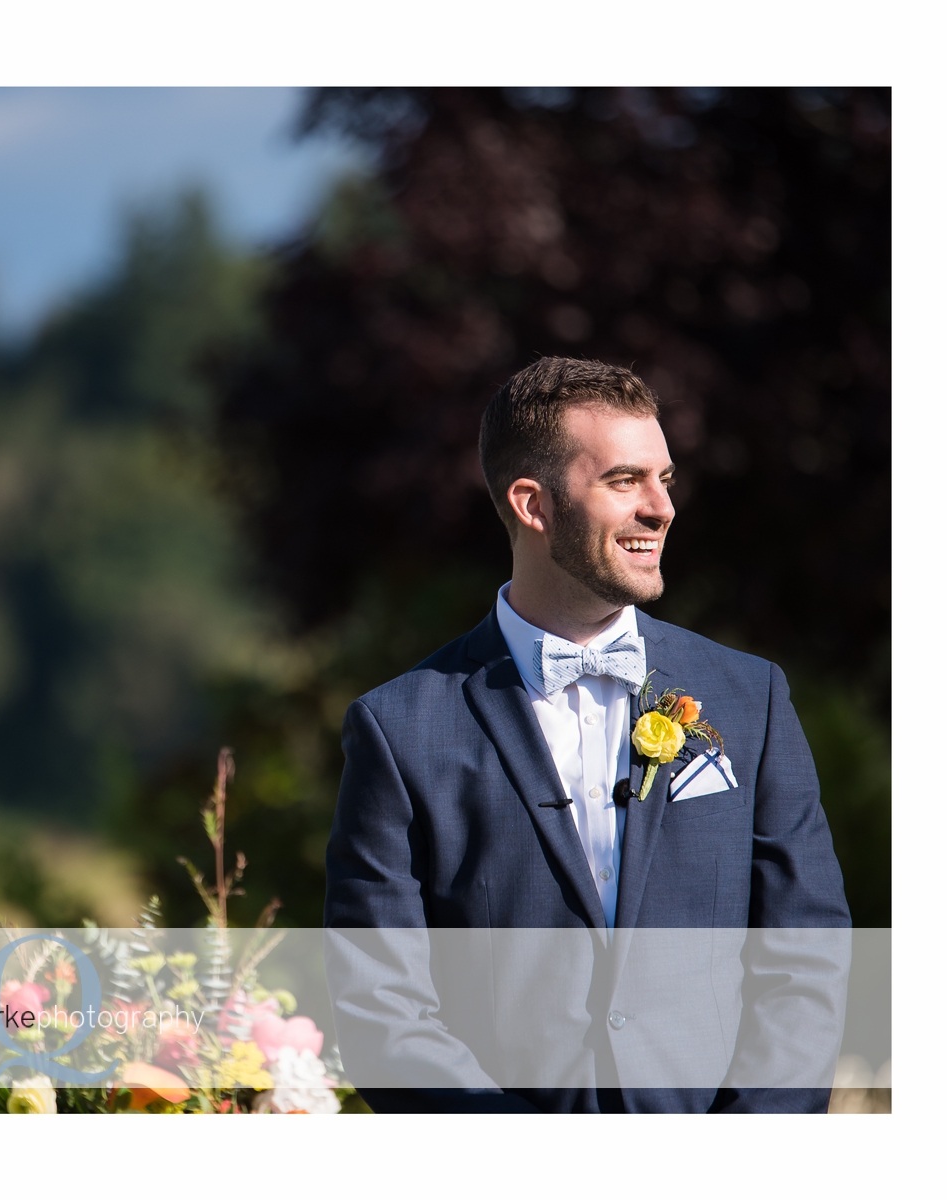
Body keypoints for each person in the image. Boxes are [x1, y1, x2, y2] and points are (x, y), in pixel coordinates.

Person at [324, 356, 852, 1113]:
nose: (661, 508)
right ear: (533, 505)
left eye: (665, 479)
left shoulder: (751, 698)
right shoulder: (400, 729)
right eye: (623, 480)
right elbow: (382, 1011)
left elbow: (807, 960)